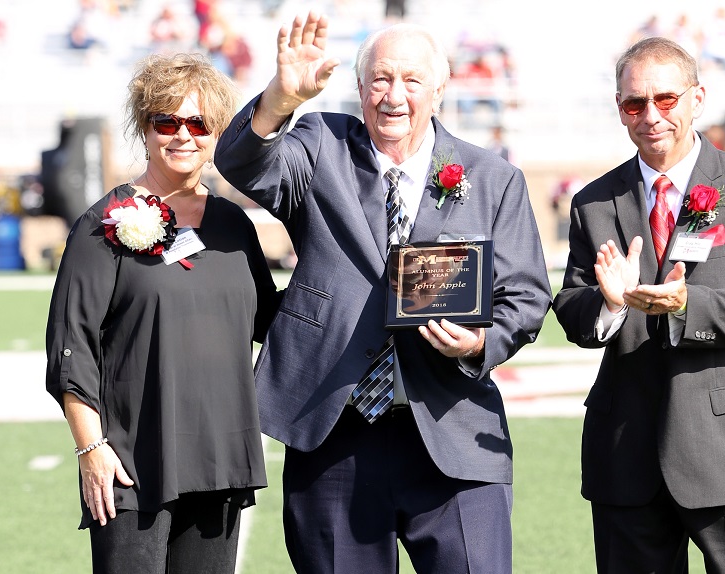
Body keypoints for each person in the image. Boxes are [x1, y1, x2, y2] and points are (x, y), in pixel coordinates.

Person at [214, 12, 551, 573]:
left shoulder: (494, 178)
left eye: (412, 80)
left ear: (439, 90)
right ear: (360, 86)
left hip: (452, 429)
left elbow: (526, 296)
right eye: (380, 79)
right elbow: (240, 163)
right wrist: (279, 99)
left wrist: (477, 343)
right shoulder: (320, 144)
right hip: (333, 428)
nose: (394, 96)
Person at [552, 36, 725, 573]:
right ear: (619, 108)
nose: (651, 116)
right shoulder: (593, 201)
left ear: (696, 98)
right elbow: (570, 307)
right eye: (634, 103)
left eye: (665, 99)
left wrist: (685, 304)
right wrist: (609, 304)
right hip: (624, 452)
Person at [45, 52, 280, 573]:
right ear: (144, 128)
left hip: (219, 458)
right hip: (130, 462)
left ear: (217, 133)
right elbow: (70, 348)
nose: (183, 136)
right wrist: (91, 450)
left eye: (199, 123)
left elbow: (273, 322)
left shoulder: (233, 225)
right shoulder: (102, 225)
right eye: (166, 122)